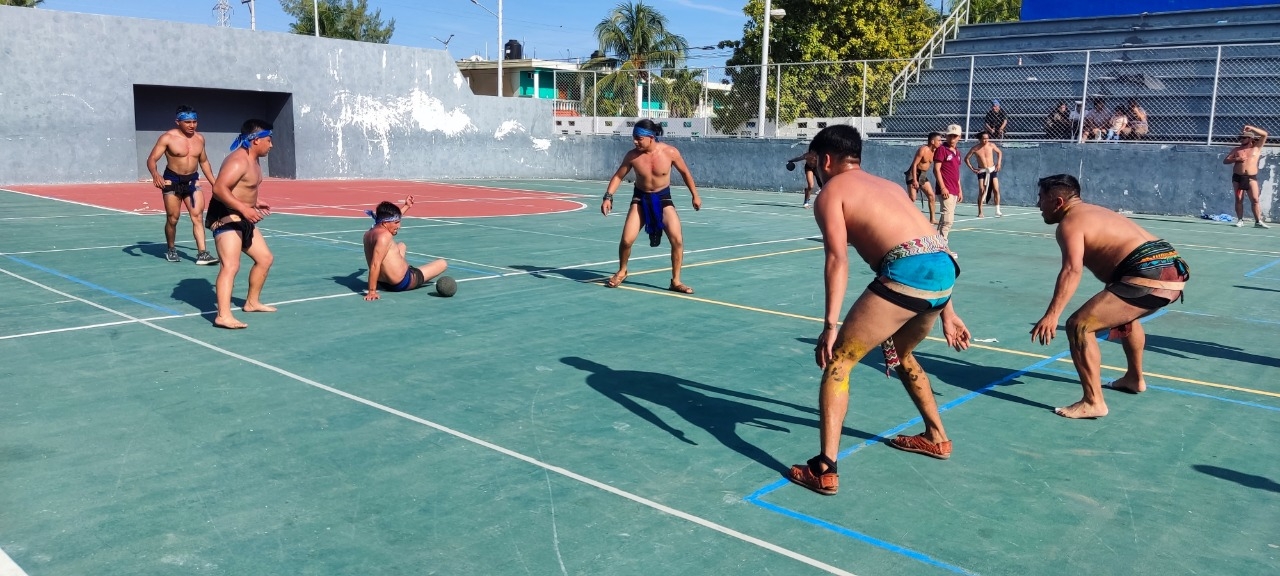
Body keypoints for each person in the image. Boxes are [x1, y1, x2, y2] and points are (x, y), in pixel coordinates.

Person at [787, 124, 971, 496]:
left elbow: (837, 259)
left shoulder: (830, 195)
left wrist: (830, 325)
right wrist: (948, 311)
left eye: (815, 164)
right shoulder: (888, 186)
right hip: (942, 273)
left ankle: (825, 467)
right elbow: (930, 243)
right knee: (901, 355)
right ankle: (936, 436)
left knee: (840, 361)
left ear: (825, 160)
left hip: (908, 274)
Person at [1030, 174, 1190, 419]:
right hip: (1173, 268)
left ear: (1058, 202)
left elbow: (1072, 270)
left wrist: (1052, 315)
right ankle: (1134, 379)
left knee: (1078, 326)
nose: (1038, 204)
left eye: (1041, 199)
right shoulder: (1095, 211)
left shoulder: (1070, 223)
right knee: (1124, 314)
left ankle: (1093, 402)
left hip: (1149, 273)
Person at [600, 119, 702, 293]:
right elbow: (618, 176)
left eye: (639, 138)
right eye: (634, 138)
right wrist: (608, 197)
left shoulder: (670, 152)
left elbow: (685, 172)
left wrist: (695, 195)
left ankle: (676, 281)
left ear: (651, 137)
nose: (635, 141)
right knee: (626, 240)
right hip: (640, 199)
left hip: (663, 199)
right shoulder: (632, 156)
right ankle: (622, 271)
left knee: (677, 240)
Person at [206, 119, 277, 329]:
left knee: (264, 258)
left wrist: (254, 202)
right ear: (255, 140)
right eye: (268, 139)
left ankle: (252, 302)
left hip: (243, 216)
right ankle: (223, 316)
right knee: (231, 265)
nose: (271, 145)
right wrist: (245, 208)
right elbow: (219, 189)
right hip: (225, 216)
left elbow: (242, 187)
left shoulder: (254, 161)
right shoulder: (238, 161)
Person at [146, 105, 218, 265]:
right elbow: (151, 159)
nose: (192, 125)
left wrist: (215, 183)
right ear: (178, 122)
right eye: (188, 122)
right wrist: (155, 174)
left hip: (192, 181)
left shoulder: (200, 139)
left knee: (198, 216)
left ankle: (202, 253)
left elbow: (204, 161)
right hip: (172, 181)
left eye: (195, 121)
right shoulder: (167, 138)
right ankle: (171, 249)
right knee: (173, 218)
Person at [363, 197, 449, 300]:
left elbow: (393, 218)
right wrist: (372, 291)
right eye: (396, 223)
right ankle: (408, 270)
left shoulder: (369, 233)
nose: (399, 226)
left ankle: (403, 267)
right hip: (403, 282)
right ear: (385, 223)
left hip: (383, 282)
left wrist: (406, 206)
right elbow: (375, 264)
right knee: (443, 263)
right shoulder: (384, 236)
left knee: (402, 245)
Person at [1224, 125, 1270, 228]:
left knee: (1255, 199)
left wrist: (1252, 128)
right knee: (1239, 199)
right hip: (1238, 178)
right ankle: (1240, 220)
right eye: (1240, 138)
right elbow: (1226, 160)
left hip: (1250, 178)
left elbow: (1264, 134)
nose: (1241, 139)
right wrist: (1236, 159)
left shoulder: (1256, 148)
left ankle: (1258, 221)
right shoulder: (1237, 149)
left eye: (1244, 137)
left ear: (1250, 138)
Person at [932, 124, 964, 240]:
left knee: (945, 219)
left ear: (959, 137)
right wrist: (943, 187)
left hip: (954, 189)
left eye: (955, 136)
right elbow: (936, 169)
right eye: (950, 136)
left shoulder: (957, 152)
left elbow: (956, 173)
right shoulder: (942, 150)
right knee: (947, 220)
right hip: (946, 188)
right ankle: (942, 245)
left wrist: (959, 189)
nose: (952, 139)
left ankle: (936, 243)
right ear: (946, 136)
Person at [904, 132, 942, 224]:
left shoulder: (935, 151)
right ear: (932, 141)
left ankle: (932, 219)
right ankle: (904, 215)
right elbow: (914, 164)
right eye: (939, 140)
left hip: (923, 175)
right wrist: (915, 180)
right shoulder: (923, 150)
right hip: (913, 174)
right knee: (912, 198)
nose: (940, 142)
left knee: (931, 196)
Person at [964, 132, 1003, 218]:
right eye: (984, 138)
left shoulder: (991, 145)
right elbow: (966, 159)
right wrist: (972, 168)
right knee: (982, 190)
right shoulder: (975, 148)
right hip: (982, 171)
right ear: (980, 139)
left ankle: (997, 210)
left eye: (987, 138)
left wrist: (999, 163)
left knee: (996, 189)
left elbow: (999, 152)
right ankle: (980, 211)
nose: (986, 140)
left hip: (992, 170)